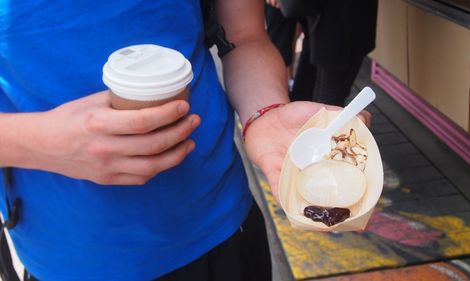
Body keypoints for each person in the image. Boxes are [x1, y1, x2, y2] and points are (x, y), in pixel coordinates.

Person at [0, 1, 370, 280]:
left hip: (221, 229)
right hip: (68, 250)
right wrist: (36, 141)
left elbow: (244, 35)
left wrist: (266, 112)